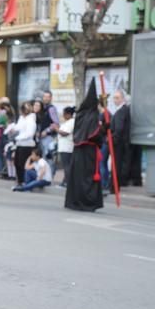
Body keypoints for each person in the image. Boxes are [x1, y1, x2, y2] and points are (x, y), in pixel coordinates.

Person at [65, 79, 105, 212]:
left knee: (77, 176)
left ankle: (75, 201)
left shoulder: (80, 114)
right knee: (86, 178)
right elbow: (95, 134)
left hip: (78, 151)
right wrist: (105, 128)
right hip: (88, 151)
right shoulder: (93, 115)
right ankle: (87, 203)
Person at [9, 102, 37, 185]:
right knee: (17, 163)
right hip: (19, 144)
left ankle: (25, 181)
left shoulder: (31, 119)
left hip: (27, 145)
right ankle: (20, 181)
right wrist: (13, 129)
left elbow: (29, 133)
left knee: (23, 164)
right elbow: (18, 127)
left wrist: (18, 137)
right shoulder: (21, 118)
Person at [111, 91, 131, 187]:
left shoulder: (122, 110)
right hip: (121, 142)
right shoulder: (122, 110)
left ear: (123, 99)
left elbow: (119, 128)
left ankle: (114, 186)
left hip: (119, 143)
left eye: (117, 98)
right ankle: (116, 184)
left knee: (116, 164)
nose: (115, 100)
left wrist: (113, 139)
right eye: (114, 98)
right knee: (117, 164)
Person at [57, 106, 76, 187]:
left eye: (64, 114)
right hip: (63, 147)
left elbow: (65, 133)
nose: (63, 116)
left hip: (67, 147)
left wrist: (56, 129)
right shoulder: (67, 122)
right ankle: (65, 181)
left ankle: (68, 183)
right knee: (66, 165)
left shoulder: (72, 122)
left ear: (68, 114)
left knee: (66, 166)